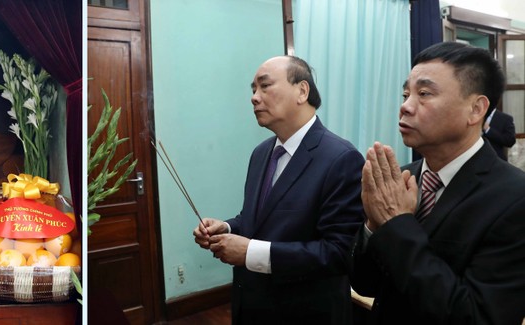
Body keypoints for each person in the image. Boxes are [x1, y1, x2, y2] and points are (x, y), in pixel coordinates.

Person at [350, 42, 525, 325]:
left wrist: (395, 223)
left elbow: (477, 316)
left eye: (424, 94)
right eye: (406, 94)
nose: (405, 107)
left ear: (475, 109)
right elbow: (365, 284)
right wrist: (373, 225)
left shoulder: (515, 198)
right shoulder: (402, 180)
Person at [193, 56, 364, 324]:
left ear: (302, 91)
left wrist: (250, 252)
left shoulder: (340, 158)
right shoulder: (261, 154)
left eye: (265, 86)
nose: (254, 97)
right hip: (250, 305)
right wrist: (226, 228)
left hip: (303, 313)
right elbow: (256, 220)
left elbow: (337, 253)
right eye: (253, 89)